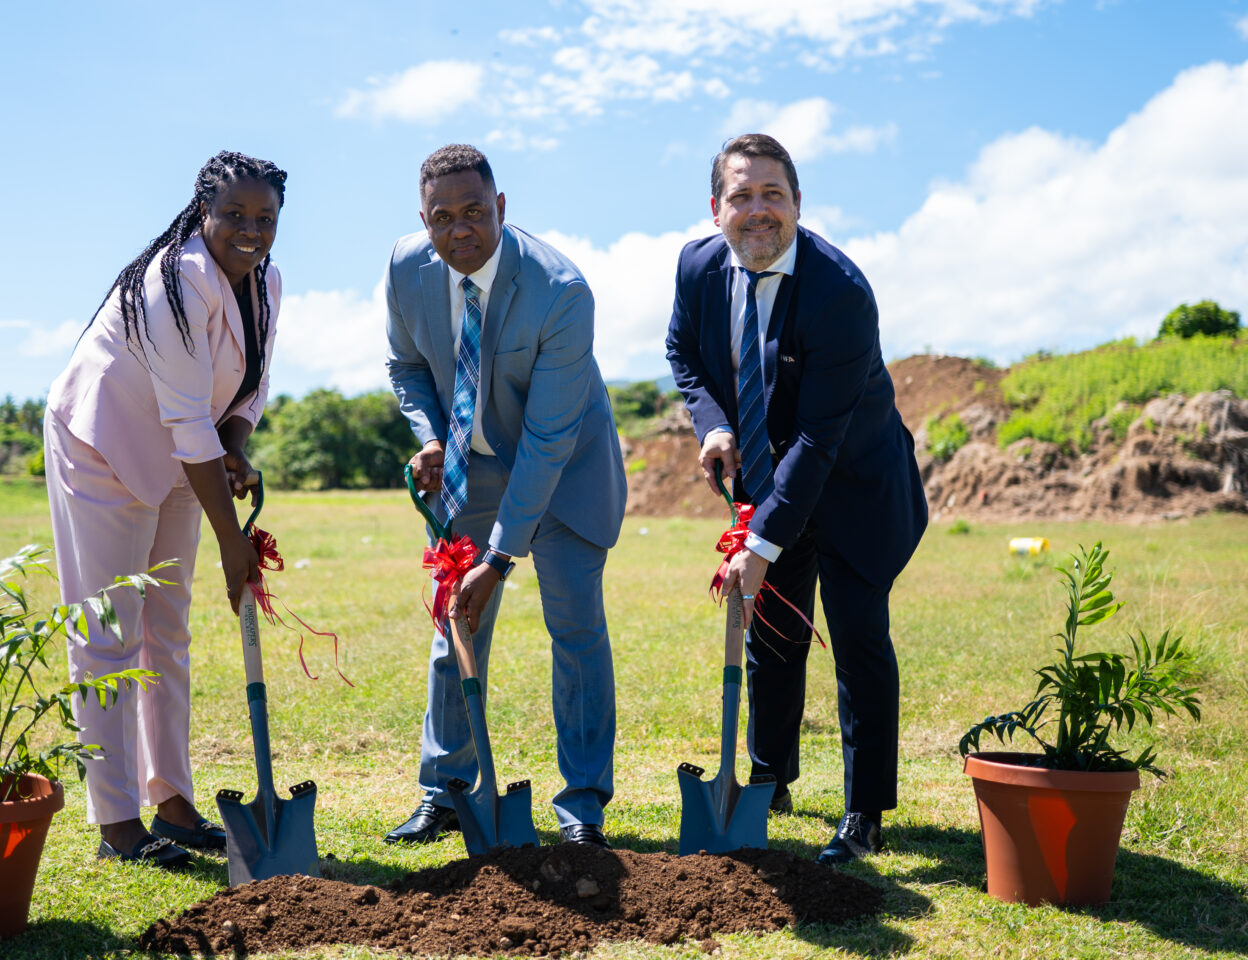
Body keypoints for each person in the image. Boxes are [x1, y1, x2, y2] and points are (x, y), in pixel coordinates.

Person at [665, 134, 927, 865]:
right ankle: (770, 779)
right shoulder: (697, 266)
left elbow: (818, 442)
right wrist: (714, 425)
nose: (757, 211)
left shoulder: (841, 292)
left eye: (772, 195)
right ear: (715, 208)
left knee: (856, 639)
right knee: (772, 634)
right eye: (741, 196)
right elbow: (683, 353)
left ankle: (864, 810)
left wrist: (758, 544)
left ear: (798, 205)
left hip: (854, 488)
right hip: (768, 478)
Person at [44, 151, 286, 869]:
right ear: (201, 211)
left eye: (265, 218)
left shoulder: (267, 281)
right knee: (108, 632)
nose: (250, 230)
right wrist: (230, 543)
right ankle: (118, 822)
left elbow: (249, 386)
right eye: (234, 215)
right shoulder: (175, 277)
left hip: (191, 454)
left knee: (166, 627)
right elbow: (186, 417)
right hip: (106, 441)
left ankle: (173, 802)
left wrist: (237, 442)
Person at [384, 144, 627, 849]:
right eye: (441, 218)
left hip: (567, 464)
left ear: (501, 208)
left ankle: (582, 804)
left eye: (474, 213)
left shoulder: (561, 291)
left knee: (576, 629)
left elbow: (548, 443)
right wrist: (430, 435)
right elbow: (405, 364)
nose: (460, 231)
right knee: (453, 622)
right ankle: (447, 791)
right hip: (470, 462)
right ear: (422, 221)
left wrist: (499, 559)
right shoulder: (405, 266)